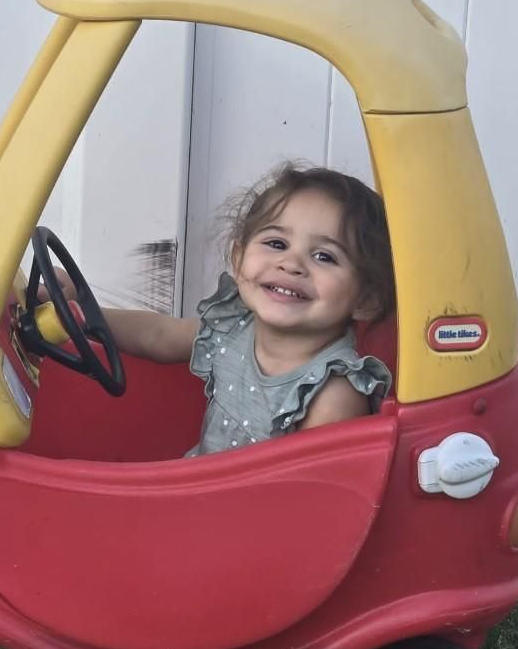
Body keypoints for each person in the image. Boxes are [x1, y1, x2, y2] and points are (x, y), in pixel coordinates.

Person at [61, 162, 394, 456]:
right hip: (198, 496)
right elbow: (157, 336)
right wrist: (81, 308)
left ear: (366, 299)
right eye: (276, 244)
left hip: (253, 519)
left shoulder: (333, 393)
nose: (291, 263)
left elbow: (306, 500)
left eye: (324, 256)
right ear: (238, 260)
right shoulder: (234, 327)